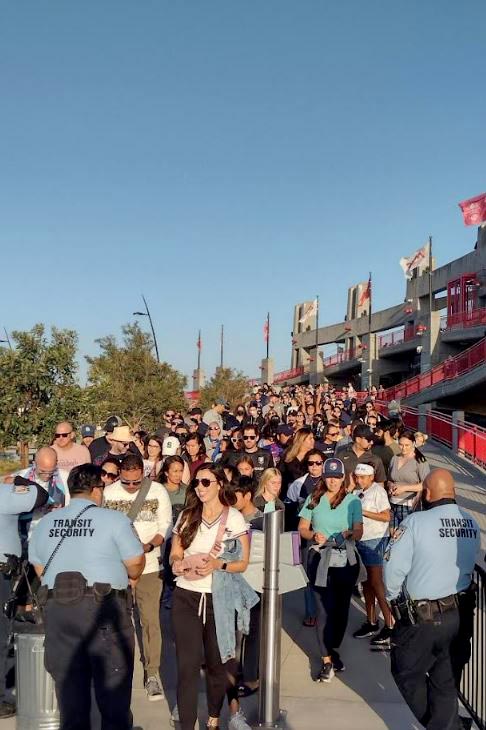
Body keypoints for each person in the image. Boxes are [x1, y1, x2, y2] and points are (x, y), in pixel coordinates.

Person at [29, 464, 145, 730]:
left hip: (59, 611)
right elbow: (135, 563)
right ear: (96, 490)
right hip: (102, 610)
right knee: (113, 696)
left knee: (70, 696)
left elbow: (39, 567)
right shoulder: (114, 520)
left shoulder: (47, 522)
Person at [384, 468, 480, 730]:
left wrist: (394, 600)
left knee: (406, 671)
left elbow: (392, 570)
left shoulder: (415, 522)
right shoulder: (469, 521)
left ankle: (445, 726)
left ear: (426, 493)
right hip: (460, 615)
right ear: (454, 492)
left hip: (424, 618)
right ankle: (449, 725)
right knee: (445, 681)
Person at [169, 464, 251, 730]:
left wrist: (218, 565)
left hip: (220, 598)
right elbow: (175, 552)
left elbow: (243, 563)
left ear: (219, 484)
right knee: (187, 666)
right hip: (186, 595)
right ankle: (188, 724)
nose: (200, 487)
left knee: (217, 664)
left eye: (206, 482)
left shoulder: (234, 518)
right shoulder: (187, 515)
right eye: (196, 482)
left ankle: (214, 717)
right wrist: (177, 563)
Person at [103, 453, 172, 701]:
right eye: (126, 482)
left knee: (150, 621)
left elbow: (165, 525)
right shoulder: (109, 493)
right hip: (116, 567)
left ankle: (152, 673)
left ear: (143, 474)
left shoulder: (158, 491)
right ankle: (116, 670)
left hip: (150, 566)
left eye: (135, 482)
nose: (131, 487)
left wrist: (149, 546)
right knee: (116, 621)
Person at [298, 457, 363, 683]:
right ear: (323, 478)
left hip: (345, 561)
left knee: (341, 611)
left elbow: (359, 531)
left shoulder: (353, 501)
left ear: (343, 477)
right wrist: (313, 535)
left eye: (337, 477)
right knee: (323, 611)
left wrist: (348, 533)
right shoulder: (313, 499)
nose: (333, 481)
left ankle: (332, 649)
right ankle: (326, 660)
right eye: (329, 477)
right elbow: (302, 528)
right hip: (320, 559)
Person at [0, 475, 49, 719]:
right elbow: (41, 495)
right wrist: (18, 479)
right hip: (2, 573)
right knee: (0, 636)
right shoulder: (5, 493)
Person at [352, 463, 394, 646]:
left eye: (362, 477)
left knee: (377, 583)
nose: (359, 480)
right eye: (357, 477)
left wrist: (363, 512)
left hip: (375, 540)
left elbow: (386, 516)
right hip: (360, 540)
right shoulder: (356, 492)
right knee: (366, 583)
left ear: (371, 477)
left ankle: (390, 624)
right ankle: (371, 621)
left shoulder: (378, 492)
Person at [387, 429, 430, 529]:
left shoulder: (420, 461)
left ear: (414, 443)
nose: (403, 448)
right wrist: (390, 486)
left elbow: (426, 483)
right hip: (392, 503)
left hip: (409, 505)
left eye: (407, 445)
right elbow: (389, 479)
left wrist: (404, 488)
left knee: (406, 536)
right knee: (393, 538)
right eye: (401, 444)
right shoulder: (394, 458)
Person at [278, 427, 315, 499]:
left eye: (313, 438)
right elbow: (280, 475)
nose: (313, 441)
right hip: (289, 495)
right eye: (310, 438)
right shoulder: (287, 457)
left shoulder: (315, 456)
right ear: (302, 440)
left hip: (308, 495)